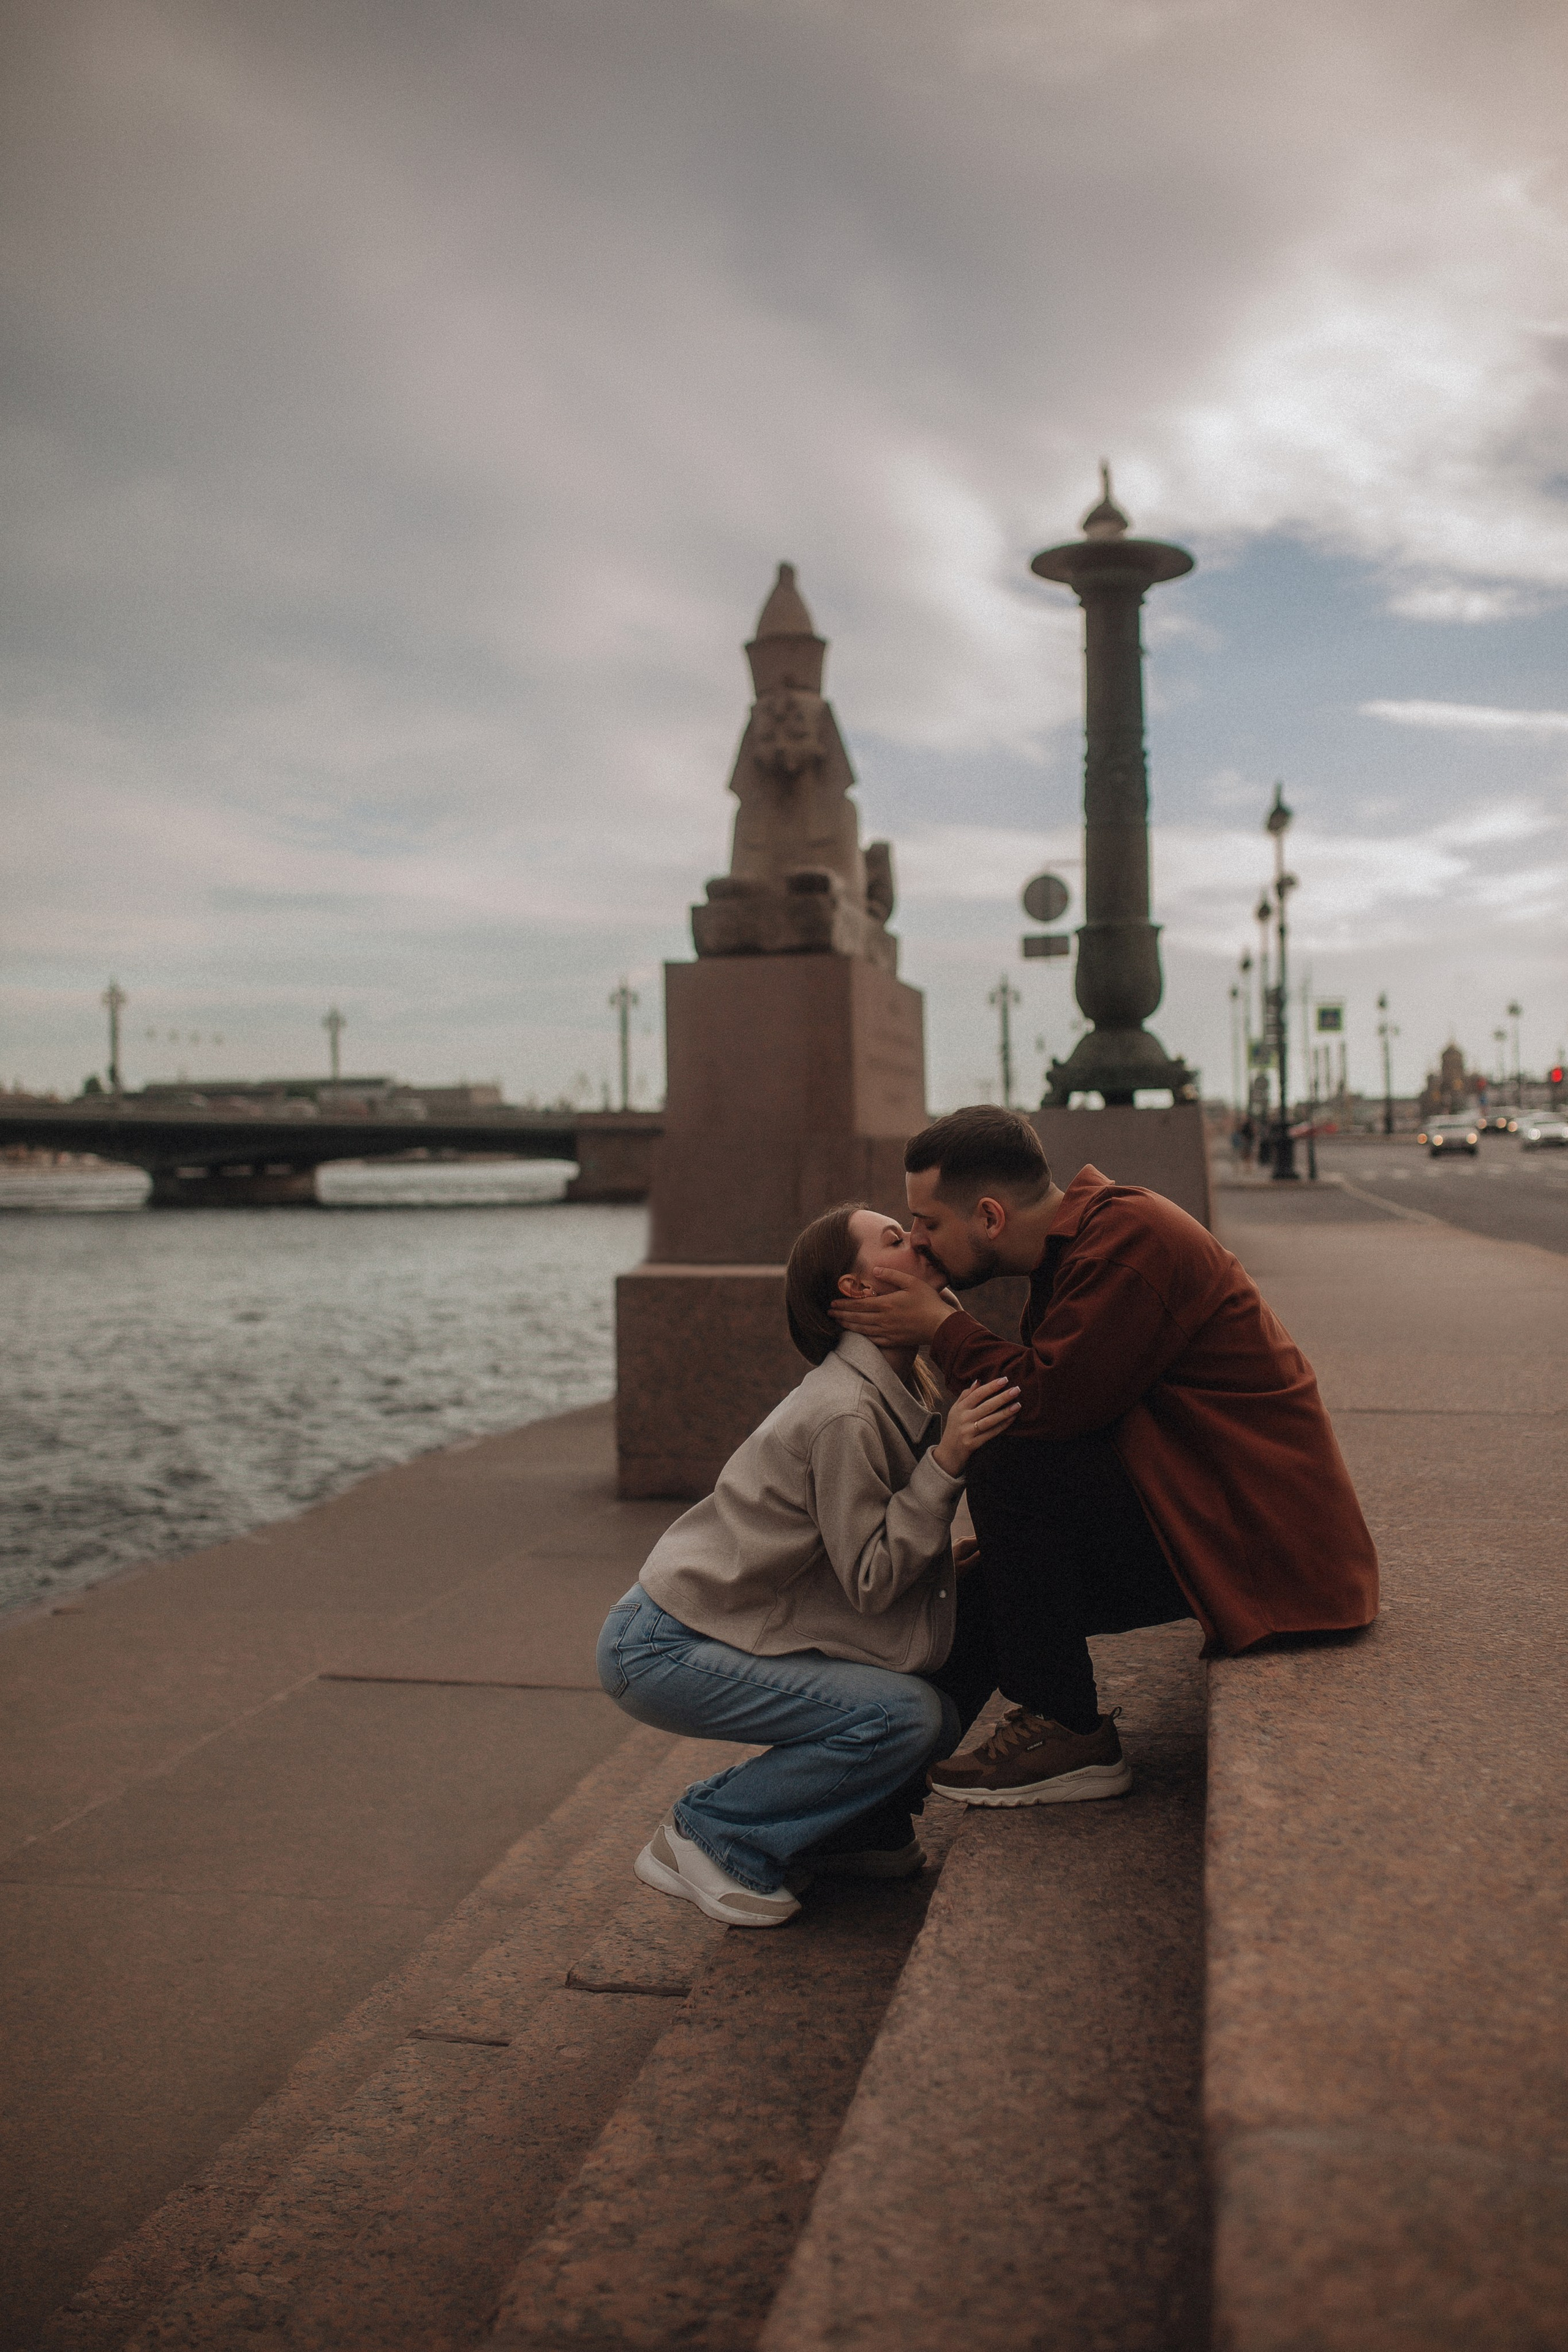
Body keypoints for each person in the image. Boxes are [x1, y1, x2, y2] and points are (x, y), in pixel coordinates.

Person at [831, 1106, 1379, 1809]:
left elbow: (1049, 1406)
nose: (917, 1242)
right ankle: (865, 1816)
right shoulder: (1082, 1246)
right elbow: (1078, 1408)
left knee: (1004, 1448)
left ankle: (1066, 1730)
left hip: (1271, 1549)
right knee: (974, 1594)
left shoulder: (1129, 1240)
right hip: (1209, 1511)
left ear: (991, 1217)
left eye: (928, 1223)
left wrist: (943, 1328)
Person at [595, 1202, 1020, 1926]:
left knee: (943, 1671)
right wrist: (945, 1463)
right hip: (663, 1645)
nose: (919, 1241)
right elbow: (870, 1580)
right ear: (855, 1292)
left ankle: (852, 1832)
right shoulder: (844, 1413)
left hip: (696, 1627)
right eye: (894, 1240)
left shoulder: (901, 1383)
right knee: (904, 1717)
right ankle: (711, 1830)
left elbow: (850, 1547)